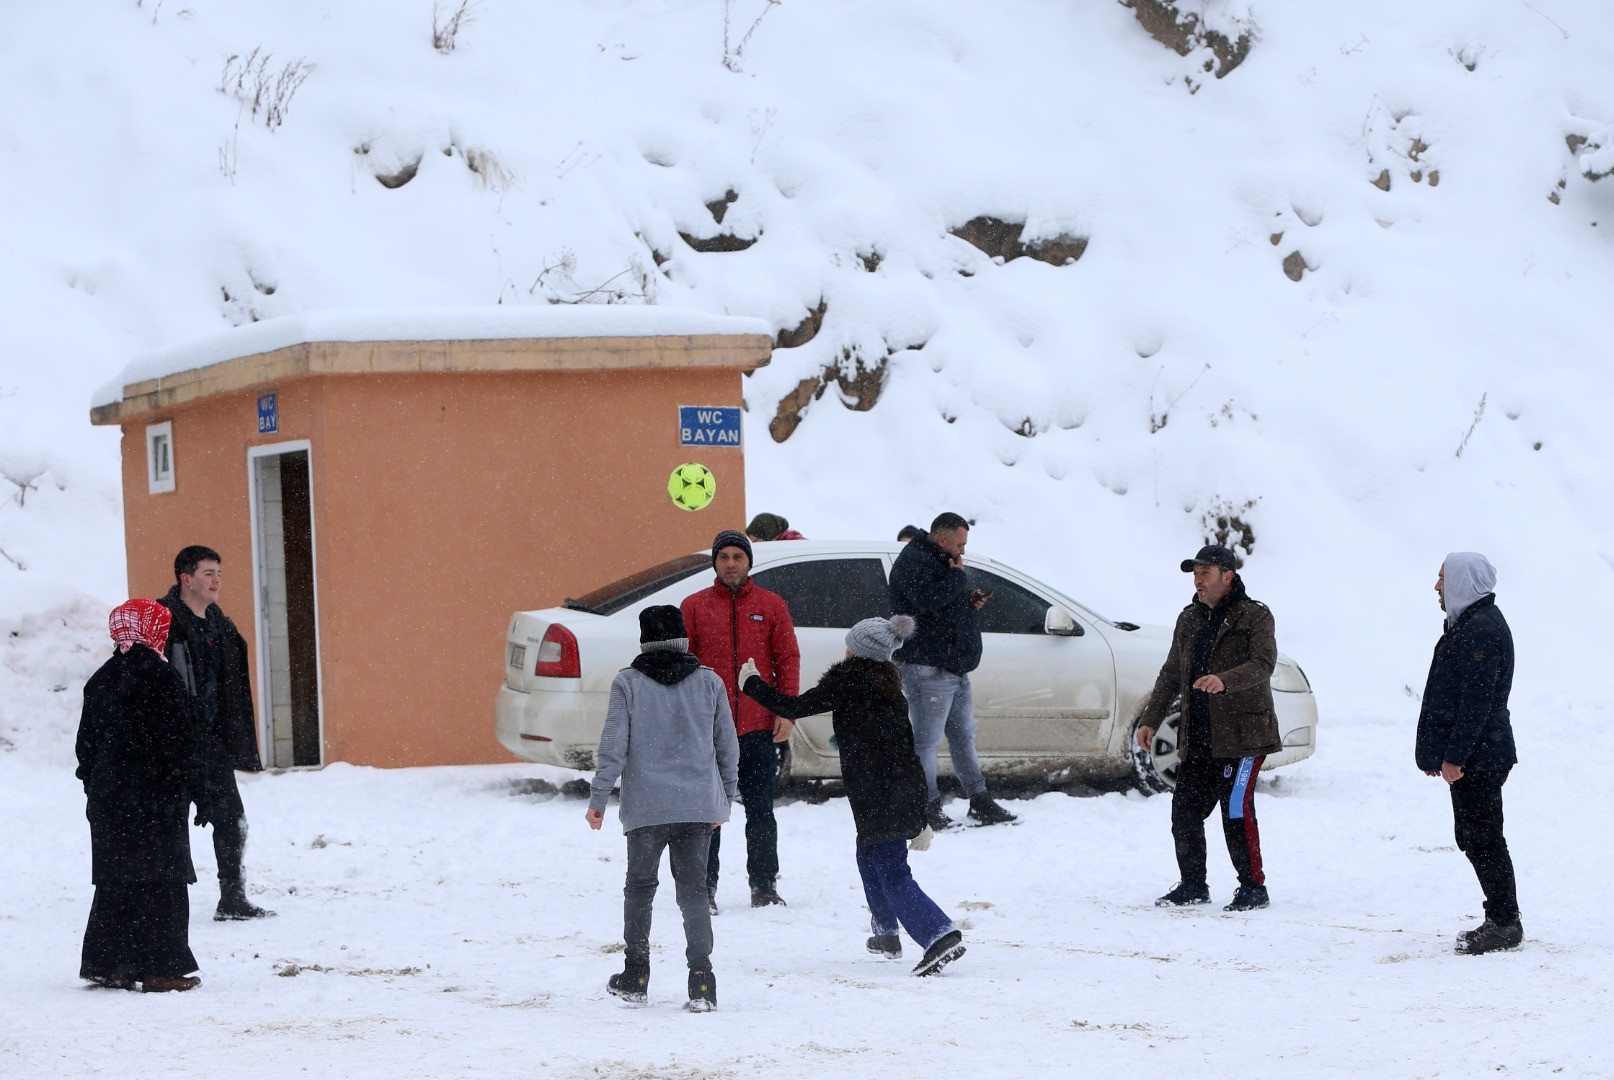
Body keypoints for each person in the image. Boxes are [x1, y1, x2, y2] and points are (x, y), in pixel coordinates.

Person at [740, 615, 966, 977]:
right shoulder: (891, 688)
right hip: (896, 786)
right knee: (868, 855)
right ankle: (886, 932)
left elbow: (793, 707)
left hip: (876, 792)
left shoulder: (846, 681)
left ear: (857, 650)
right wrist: (918, 807)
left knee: (891, 870)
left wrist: (751, 683)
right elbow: (900, 746)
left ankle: (938, 934)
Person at [586, 606, 739, 1011]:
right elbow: (727, 745)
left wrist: (599, 797)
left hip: (646, 807)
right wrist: (724, 796)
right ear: (684, 638)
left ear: (644, 640)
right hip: (697, 806)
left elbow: (613, 745)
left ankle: (635, 973)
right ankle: (702, 979)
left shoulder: (629, 683)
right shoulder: (709, 682)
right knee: (694, 892)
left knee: (639, 888)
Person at [1136, 544, 1282, 912]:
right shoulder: (1188, 618)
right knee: (1184, 811)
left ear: (1227, 577)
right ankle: (1193, 885)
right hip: (1199, 733)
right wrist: (1151, 718)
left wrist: (1225, 680)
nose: (1198, 581)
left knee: (1235, 809)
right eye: (1195, 575)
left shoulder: (1255, 615)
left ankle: (1253, 888)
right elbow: (1171, 673)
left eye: (1206, 574)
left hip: (1244, 736)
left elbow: (1263, 664)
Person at [76, 599, 206, 992]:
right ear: (152, 631)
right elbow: (181, 744)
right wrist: (199, 791)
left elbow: (86, 748)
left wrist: (98, 786)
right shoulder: (163, 679)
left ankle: (111, 965)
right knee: (162, 883)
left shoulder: (100, 679)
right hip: (156, 800)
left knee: (117, 882)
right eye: (162, 628)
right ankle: (161, 970)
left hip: (110, 802)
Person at [681, 530, 800, 909]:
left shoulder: (772, 604)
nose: (731, 563)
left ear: (749, 561)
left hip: (758, 727)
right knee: (707, 814)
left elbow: (787, 658)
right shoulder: (694, 606)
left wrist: (786, 707)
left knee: (761, 810)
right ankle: (704, 888)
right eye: (724, 557)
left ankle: (764, 885)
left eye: (738, 556)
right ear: (715, 562)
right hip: (709, 728)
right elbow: (683, 665)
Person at [157, 545, 274, 921]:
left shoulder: (220, 625)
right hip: (170, 743)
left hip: (210, 742)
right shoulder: (161, 620)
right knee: (165, 823)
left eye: (219, 573)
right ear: (185, 579)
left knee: (231, 818)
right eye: (208, 573)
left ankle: (233, 898)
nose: (216, 581)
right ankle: (160, 901)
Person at [1417, 552, 1521, 955]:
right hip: (1480, 754)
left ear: (1463, 581)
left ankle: (1505, 923)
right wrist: (1437, 753)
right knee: (1476, 837)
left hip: (1482, 756)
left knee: (1483, 839)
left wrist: (1454, 757)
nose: (1437, 585)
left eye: (1443, 577)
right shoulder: (1469, 624)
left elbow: (1477, 702)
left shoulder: (1479, 629)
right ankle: (1502, 917)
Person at [888, 512, 1016, 830]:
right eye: (960, 543)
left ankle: (979, 799)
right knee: (926, 742)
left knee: (962, 737)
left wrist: (967, 601)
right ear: (943, 539)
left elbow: (939, 604)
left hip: (951, 666)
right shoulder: (916, 559)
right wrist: (959, 582)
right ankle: (926, 806)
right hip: (926, 665)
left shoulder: (939, 558)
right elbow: (927, 601)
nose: (963, 551)